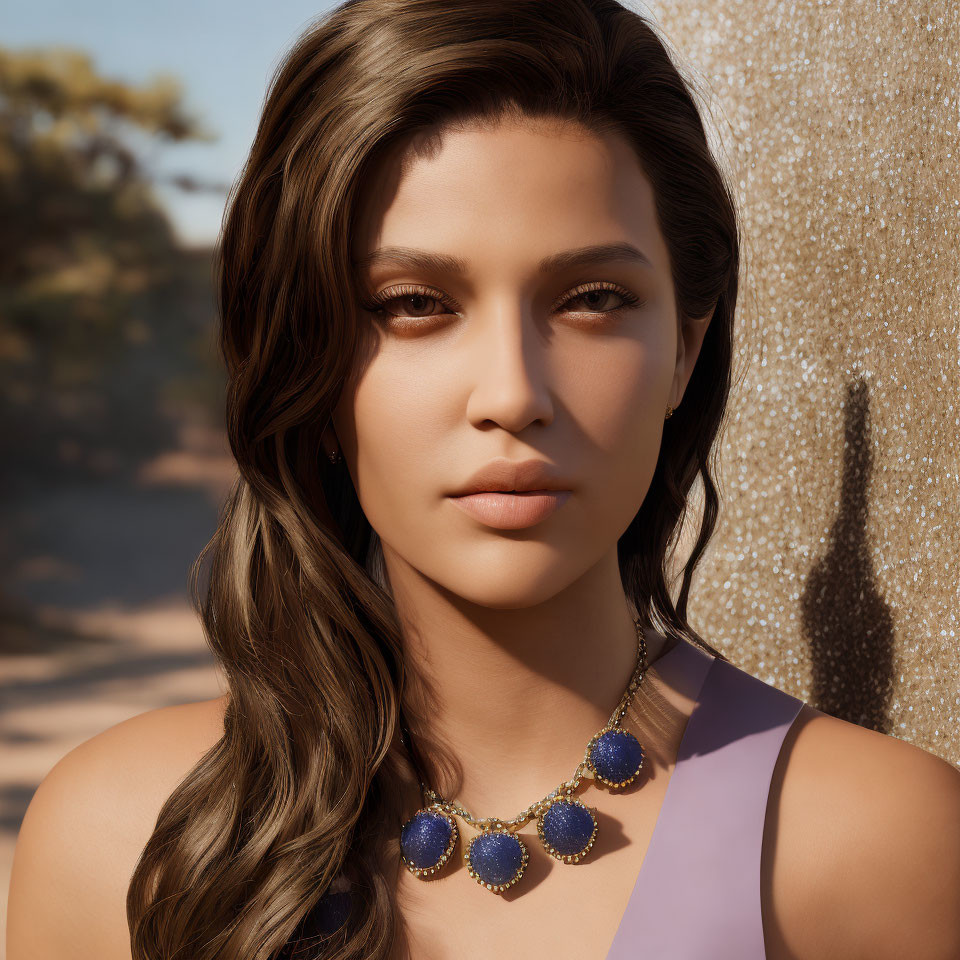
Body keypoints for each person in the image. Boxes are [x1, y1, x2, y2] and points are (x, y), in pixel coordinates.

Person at [8, 1, 960, 958]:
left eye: (593, 300)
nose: (513, 394)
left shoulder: (879, 847)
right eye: (413, 304)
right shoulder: (118, 838)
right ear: (309, 364)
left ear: (684, 350)